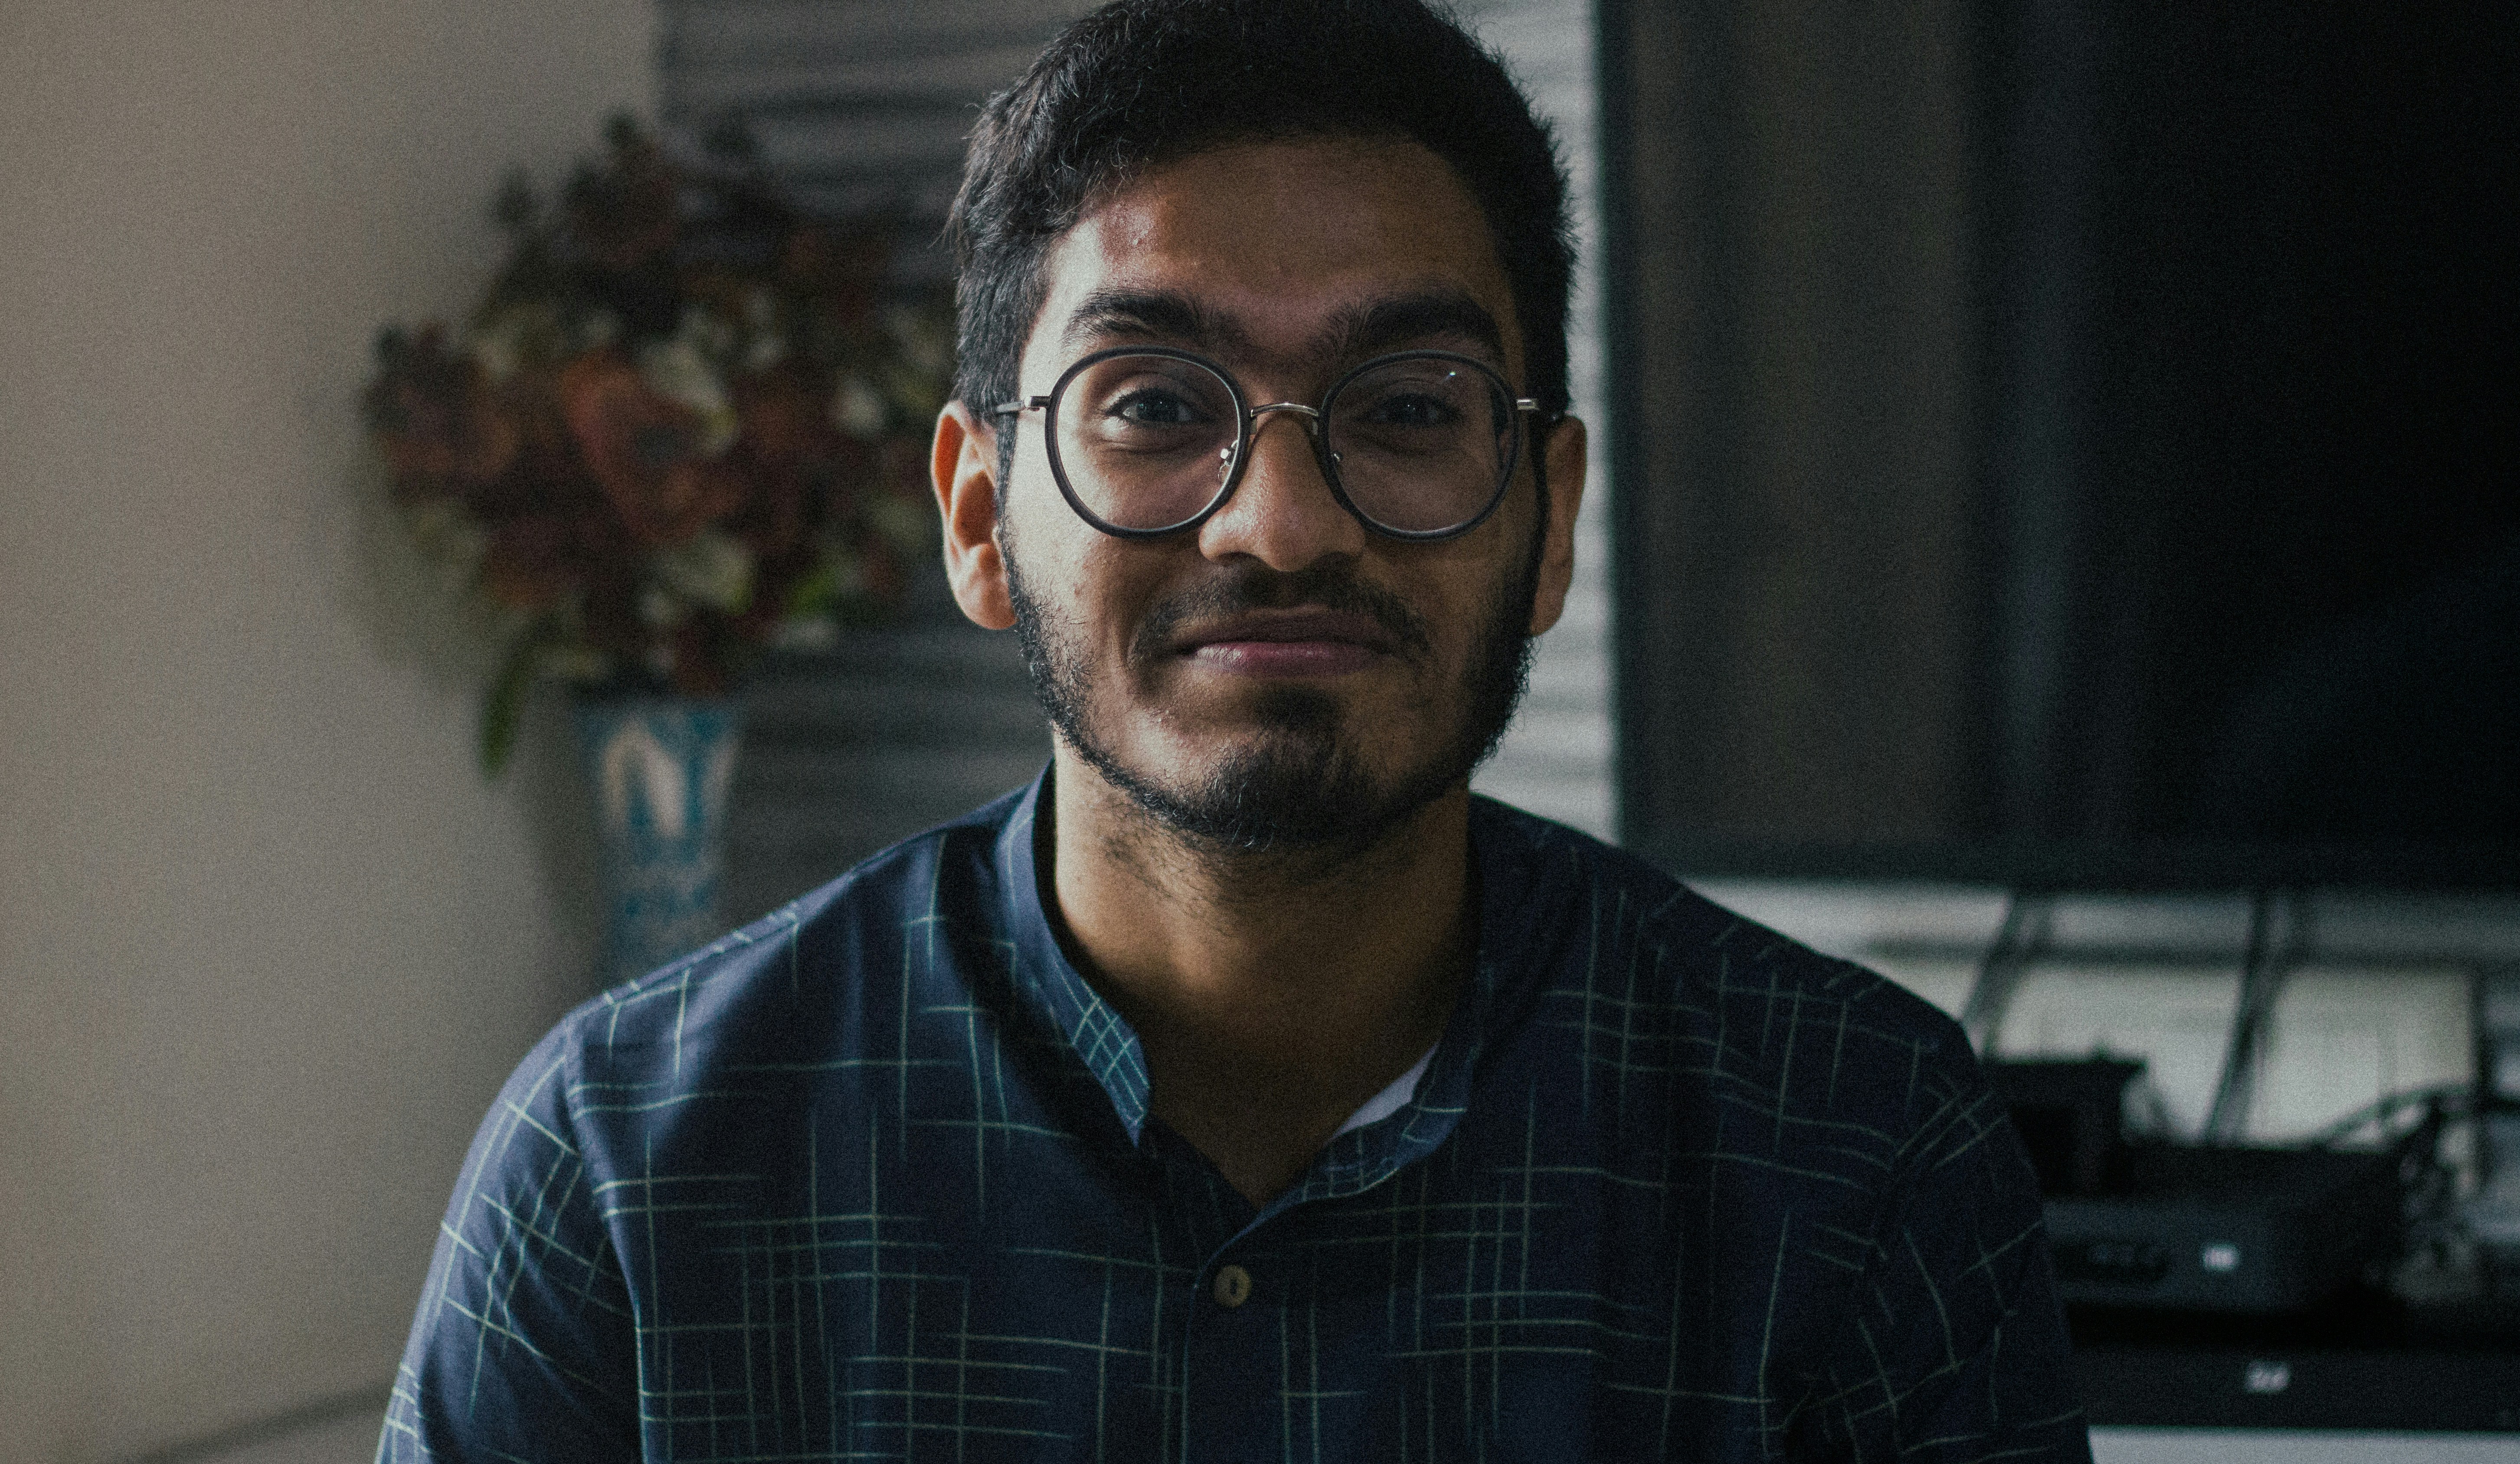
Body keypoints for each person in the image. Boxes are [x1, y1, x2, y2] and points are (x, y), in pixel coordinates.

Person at [380, 1, 2090, 1459]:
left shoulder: (1853, 1154)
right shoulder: (632, 1170)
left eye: (1410, 407)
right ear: (980, 517)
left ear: (1549, 518)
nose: (1277, 521)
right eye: (1154, 406)